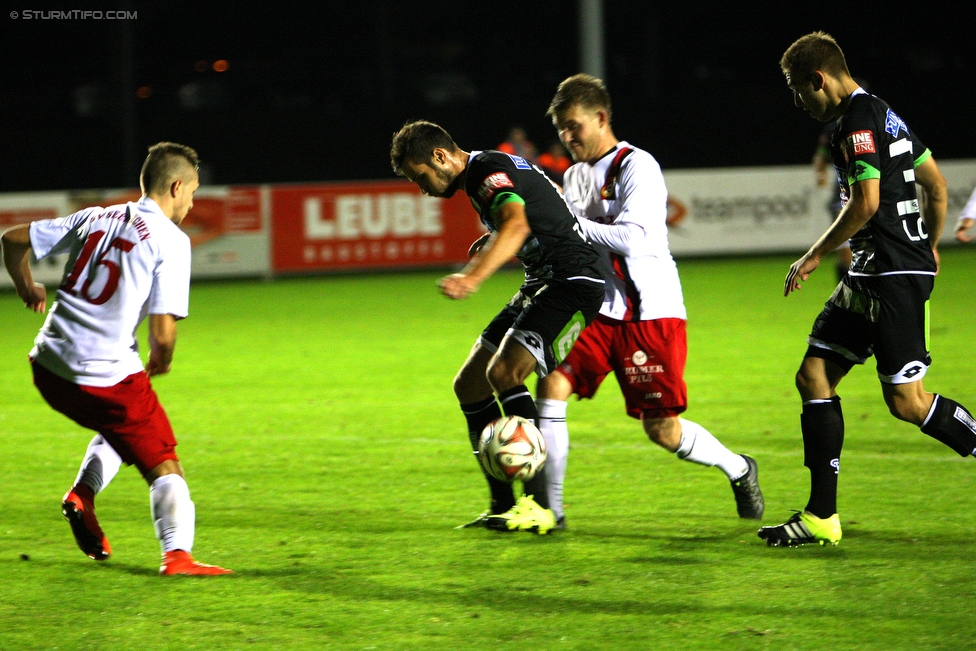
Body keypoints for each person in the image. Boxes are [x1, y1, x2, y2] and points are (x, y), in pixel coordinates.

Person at [758, 32, 976, 547]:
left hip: (891, 276)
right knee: (814, 375)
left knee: (907, 402)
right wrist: (932, 244)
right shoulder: (885, 113)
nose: (796, 101)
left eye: (796, 89)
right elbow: (936, 185)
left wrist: (813, 254)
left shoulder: (856, 121)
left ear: (819, 79)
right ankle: (821, 517)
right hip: (877, 272)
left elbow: (865, 204)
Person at [535, 73, 764, 528]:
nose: (566, 136)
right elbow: (573, 242)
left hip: (651, 314)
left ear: (601, 118)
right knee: (551, 385)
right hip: (598, 312)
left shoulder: (637, 166)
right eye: (560, 127)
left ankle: (739, 468)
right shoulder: (575, 176)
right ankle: (551, 511)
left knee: (662, 429)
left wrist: (571, 227)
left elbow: (635, 239)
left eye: (573, 125)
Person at [0, 142, 232, 575]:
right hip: (101, 375)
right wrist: (162, 359)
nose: (193, 202)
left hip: (47, 364)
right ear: (176, 186)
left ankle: (81, 496)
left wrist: (26, 286)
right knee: (164, 462)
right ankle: (178, 556)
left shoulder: (98, 215)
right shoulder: (171, 241)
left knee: (119, 426)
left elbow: (12, 240)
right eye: (193, 192)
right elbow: (162, 334)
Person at [390, 120, 605, 534]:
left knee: (504, 372)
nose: (423, 188)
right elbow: (544, 203)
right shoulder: (485, 170)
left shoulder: (486, 173)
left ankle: (542, 507)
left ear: (440, 157)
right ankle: (504, 504)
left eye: (421, 177)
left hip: (572, 282)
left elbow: (518, 223)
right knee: (470, 384)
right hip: (542, 281)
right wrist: (498, 237)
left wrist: (472, 276)